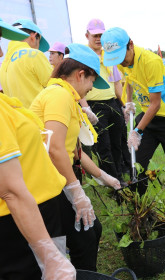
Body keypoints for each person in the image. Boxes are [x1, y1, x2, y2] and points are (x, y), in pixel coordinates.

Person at [101, 27, 165, 237]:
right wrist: (128, 102)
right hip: (148, 117)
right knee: (135, 163)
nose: (121, 62)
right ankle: (141, 213)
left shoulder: (150, 61)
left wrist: (137, 130)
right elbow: (128, 81)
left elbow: (155, 104)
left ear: (131, 44)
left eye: (122, 57)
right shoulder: (124, 61)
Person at [30, 43, 119, 271]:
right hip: (44, 185)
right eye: (91, 81)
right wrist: (76, 191)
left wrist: (103, 177)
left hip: (54, 178)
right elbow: (55, 149)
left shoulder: (66, 96)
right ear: (80, 75)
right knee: (83, 238)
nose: (91, 88)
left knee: (90, 231)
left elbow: (73, 150)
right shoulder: (58, 95)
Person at [0, 18, 75, 280]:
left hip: (32, 204)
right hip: (20, 218)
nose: (0, 51)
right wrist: (49, 254)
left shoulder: (7, 70)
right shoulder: (50, 84)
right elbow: (10, 190)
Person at [79, 19, 130, 183]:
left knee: (117, 143)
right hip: (95, 106)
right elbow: (78, 85)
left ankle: (119, 177)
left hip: (112, 104)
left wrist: (123, 105)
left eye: (101, 35)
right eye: (95, 35)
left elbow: (117, 82)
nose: (98, 38)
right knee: (103, 147)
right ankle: (112, 183)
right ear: (87, 35)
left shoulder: (109, 55)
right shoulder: (83, 56)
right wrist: (86, 108)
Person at [0, 19, 52, 107]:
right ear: (34, 36)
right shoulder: (34, 54)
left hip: (19, 118)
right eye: (39, 42)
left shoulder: (4, 64)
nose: (38, 47)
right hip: (42, 118)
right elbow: (55, 87)